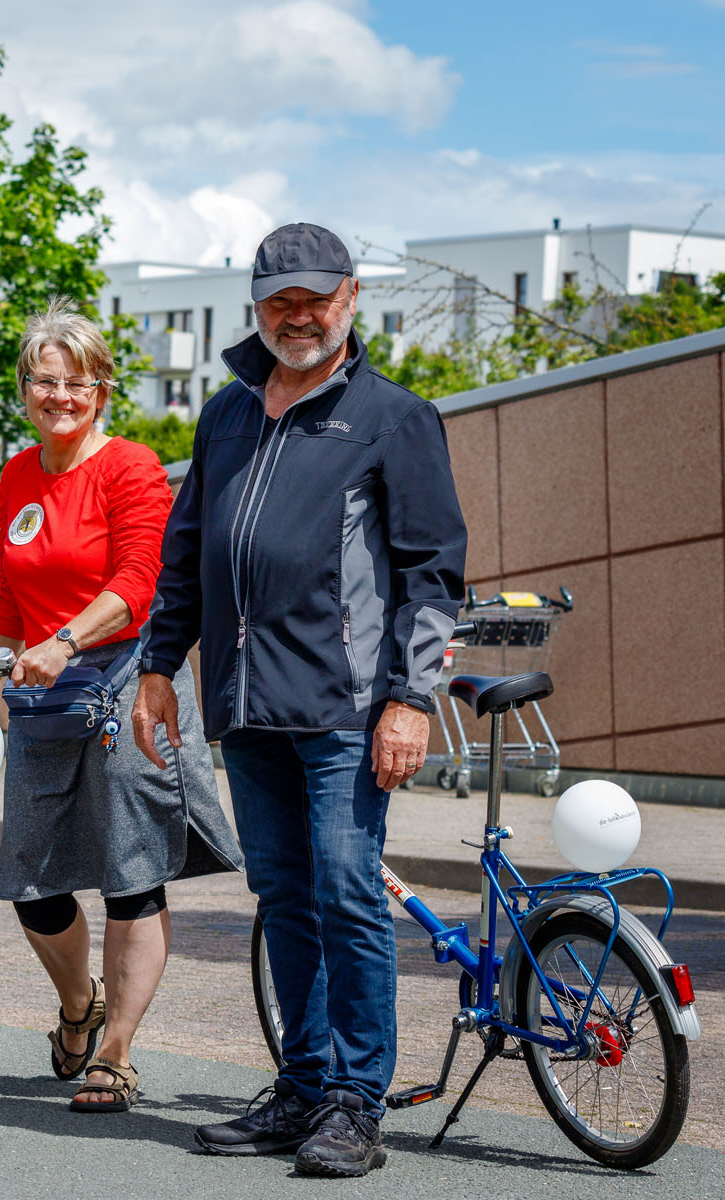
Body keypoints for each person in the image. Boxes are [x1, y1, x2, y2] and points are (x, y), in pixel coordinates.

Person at [134, 223, 466, 1176]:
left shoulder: (394, 417)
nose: (300, 317)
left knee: (347, 893)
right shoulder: (226, 415)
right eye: (281, 301)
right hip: (245, 704)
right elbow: (186, 554)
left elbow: (432, 574)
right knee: (283, 895)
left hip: (345, 708)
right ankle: (303, 1086)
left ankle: (357, 1104)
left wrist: (411, 698)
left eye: (317, 299)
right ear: (257, 307)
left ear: (350, 298)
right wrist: (158, 665)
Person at [0, 297, 242, 1114]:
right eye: (44, 381)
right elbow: (10, 592)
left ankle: (117, 1051)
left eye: (77, 383)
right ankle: (79, 1006)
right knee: (32, 878)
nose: (60, 396)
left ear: (101, 390)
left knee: (132, 873)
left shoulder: (129, 466)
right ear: (24, 389)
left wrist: (64, 640)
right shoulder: (17, 475)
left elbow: (141, 581)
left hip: (130, 680)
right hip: (44, 692)